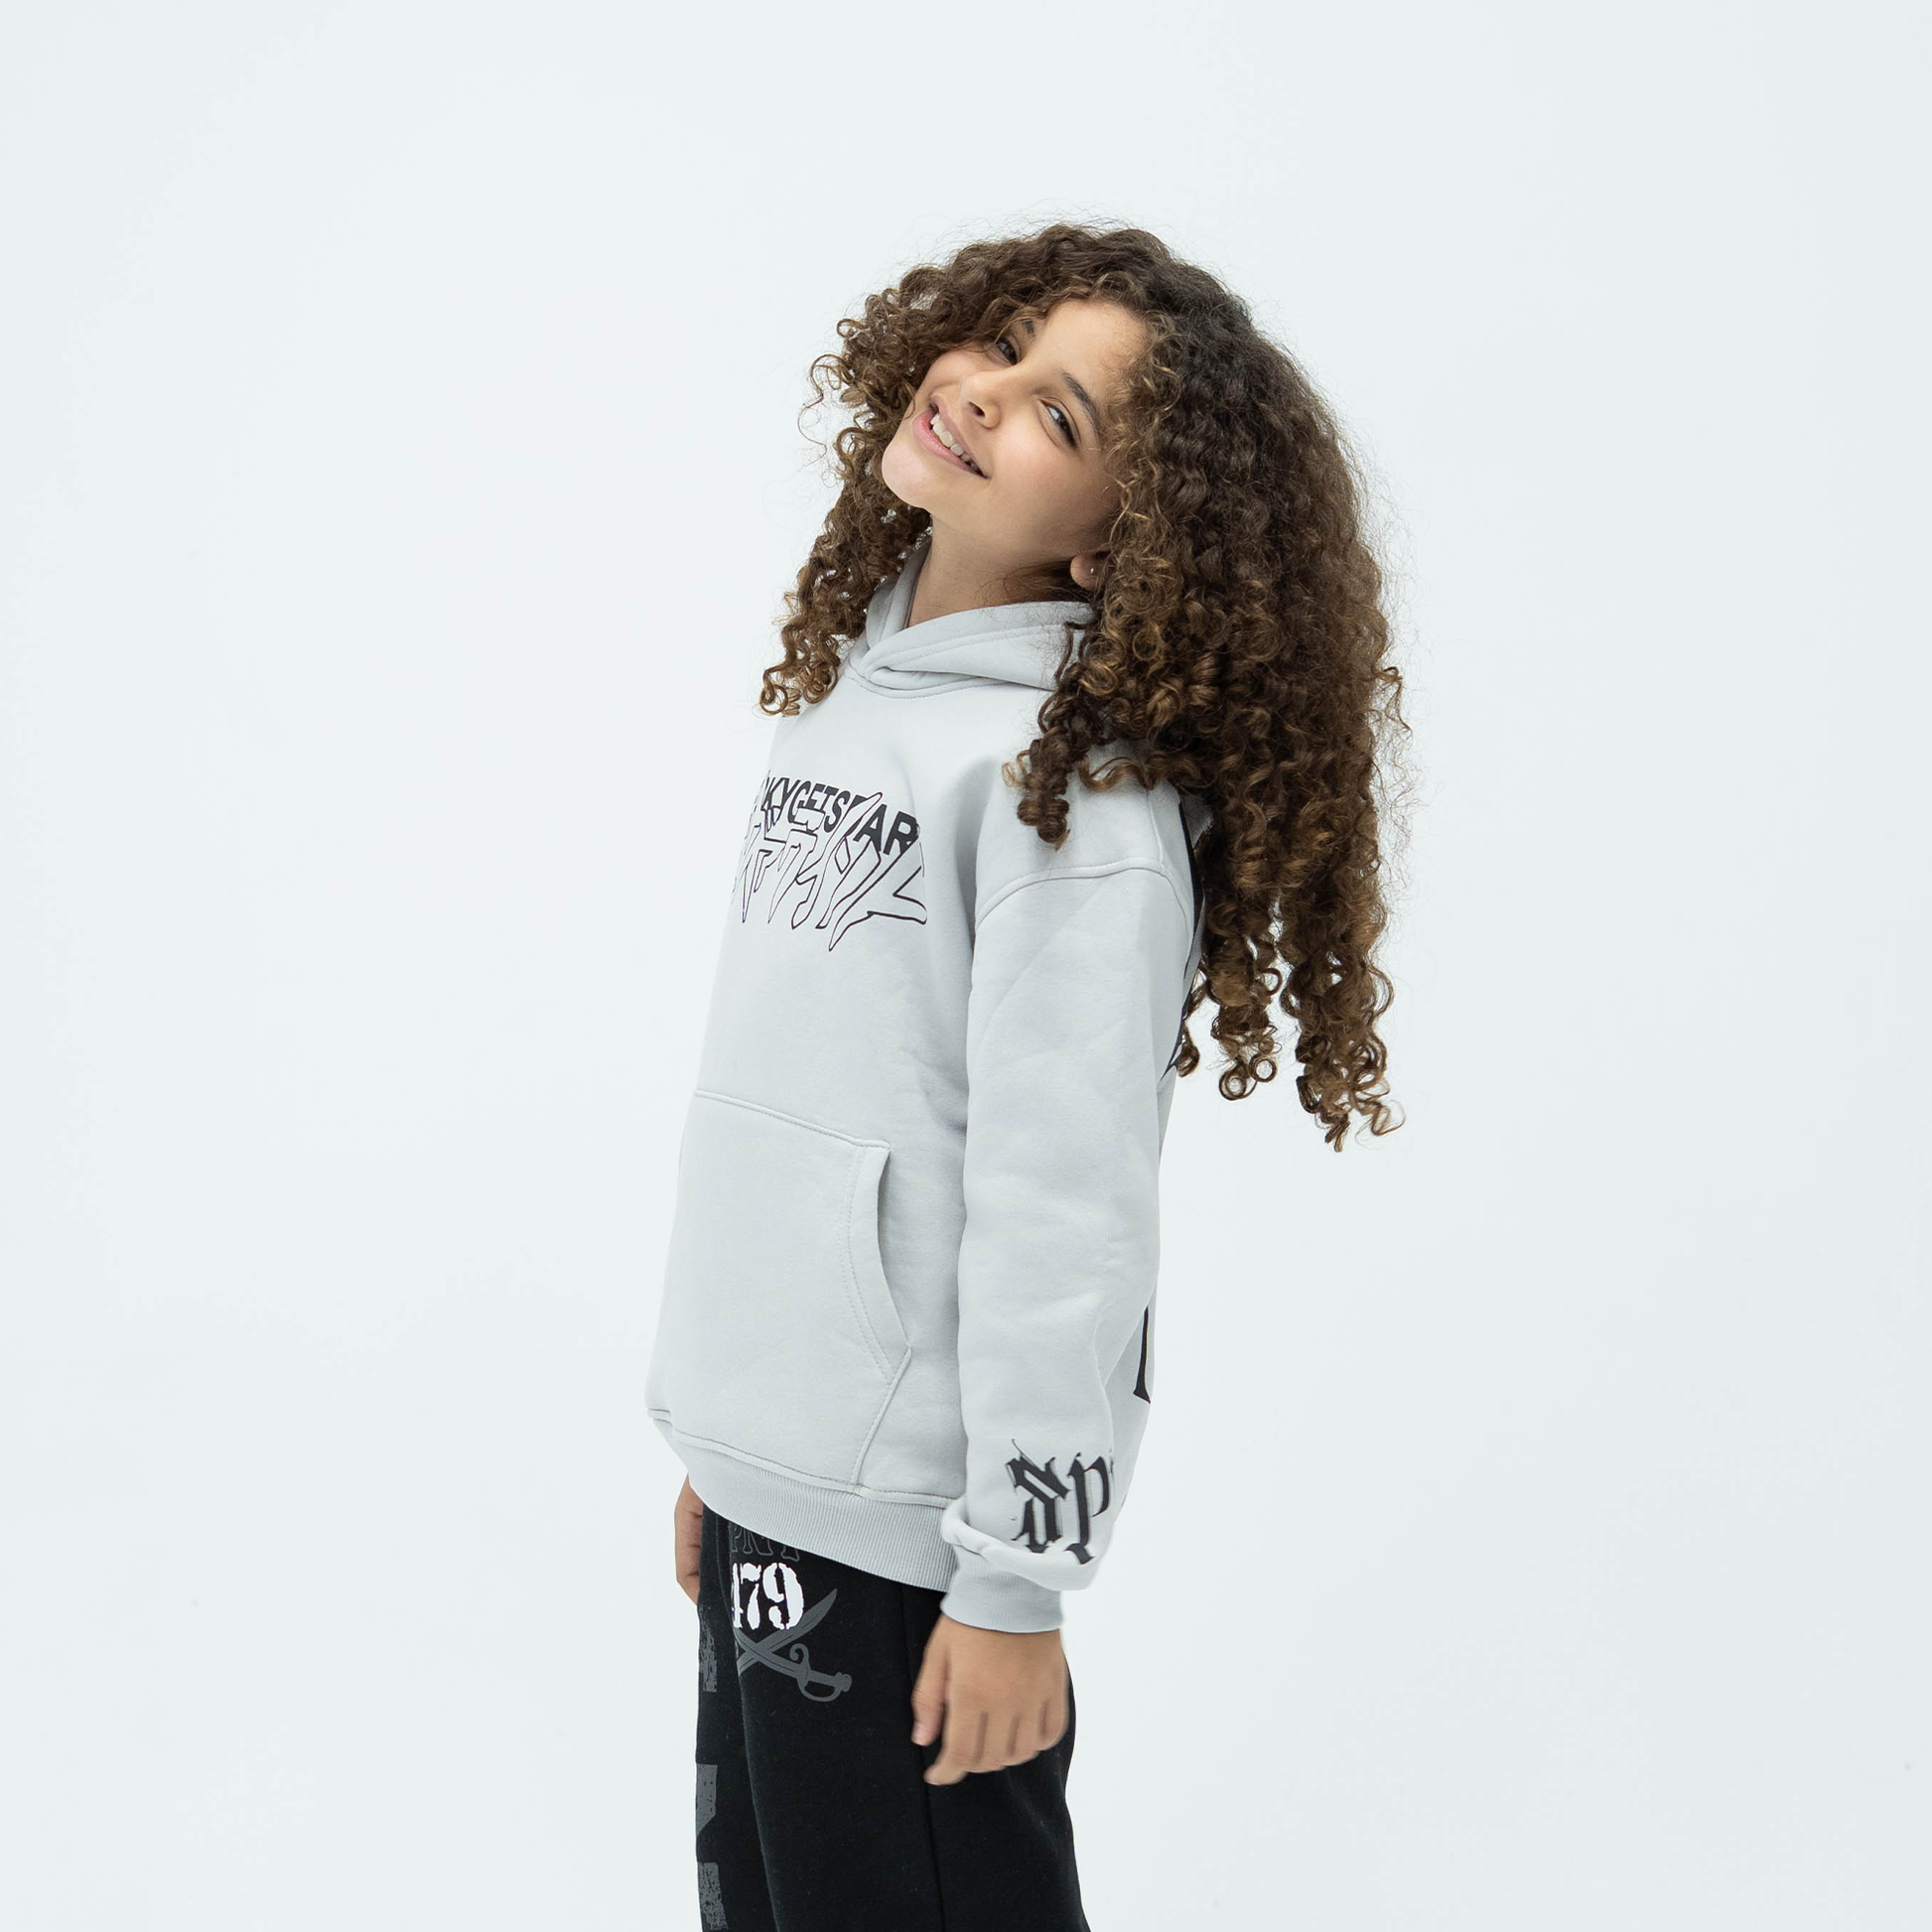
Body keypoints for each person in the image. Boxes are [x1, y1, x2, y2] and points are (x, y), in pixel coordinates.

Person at [644, 219, 1409, 1930]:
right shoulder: (859, 698)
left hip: (927, 1547)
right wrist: (735, 1440)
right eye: (1000, 346)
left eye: (1059, 413)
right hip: (786, 1483)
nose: (983, 392)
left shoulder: (1072, 802)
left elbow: (1065, 1210)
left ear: (1113, 544)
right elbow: (806, 1104)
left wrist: (1013, 1579)